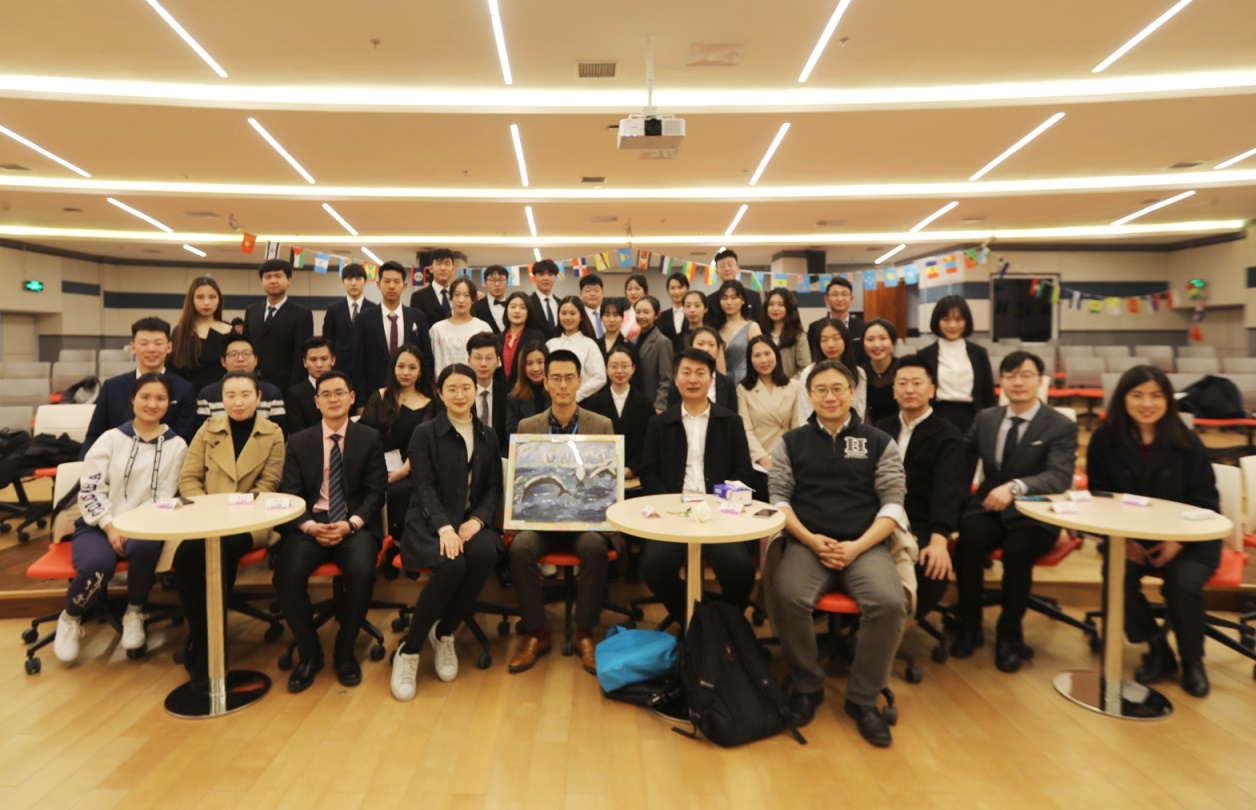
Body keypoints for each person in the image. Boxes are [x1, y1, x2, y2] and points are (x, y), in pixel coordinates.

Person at [767, 359, 909, 747]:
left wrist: (857, 546)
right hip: (808, 542)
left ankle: (863, 699)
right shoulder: (792, 442)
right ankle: (807, 686)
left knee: (889, 602)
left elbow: (893, 503)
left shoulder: (879, 441)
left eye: (838, 389)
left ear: (852, 393)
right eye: (821, 390)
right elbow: (779, 499)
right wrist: (811, 539)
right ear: (809, 396)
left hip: (865, 545)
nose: (829, 397)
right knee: (787, 595)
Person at [1086, 365, 1219, 697]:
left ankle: (1193, 661)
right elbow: (1099, 498)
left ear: (1168, 400)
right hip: (1127, 537)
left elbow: (1206, 503)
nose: (1147, 403)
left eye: (1156, 396)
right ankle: (1156, 646)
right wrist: (1124, 540)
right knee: (1116, 576)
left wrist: (1177, 542)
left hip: (1190, 539)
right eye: (1137, 395)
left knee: (1183, 582)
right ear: (1123, 399)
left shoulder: (1188, 442)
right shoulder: (1104, 439)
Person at [951, 351, 1077, 673]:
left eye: (1026, 375)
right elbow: (960, 459)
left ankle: (1010, 635)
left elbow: (1059, 476)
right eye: (1010, 375)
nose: (1017, 382)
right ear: (1001, 382)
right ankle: (969, 626)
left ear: (1040, 380)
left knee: (1018, 552)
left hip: (1035, 512)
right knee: (967, 543)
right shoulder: (986, 418)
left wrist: (1016, 487)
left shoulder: (1059, 424)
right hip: (989, 506)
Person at [54, 373, 188, 663]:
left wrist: (135, 526)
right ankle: (71, 616)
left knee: (144, 547)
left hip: (145, 526)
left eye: (160, 398)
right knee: (98, 565)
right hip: (98, 524)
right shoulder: (110, 439)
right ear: (133, 399)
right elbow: (90, 490)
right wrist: (110, 526)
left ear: (169, 403)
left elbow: (164, 496)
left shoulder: (177, 445)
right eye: (145, 397)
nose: (152, 404)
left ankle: (134, 612)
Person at [391, 364, 503, 701]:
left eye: (466, 387)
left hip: (469, 521)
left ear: (475, 391)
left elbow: (493, 488)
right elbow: (423, 488)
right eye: (451, 388)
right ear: (440, 394)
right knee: (452, 564)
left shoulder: (487, 434)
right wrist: (445, 528)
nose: (459, 395)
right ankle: (410, 649)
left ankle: (444, 632)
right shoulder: (424, 433)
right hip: (428, 522)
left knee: (484, 553)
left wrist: (478, 521)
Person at [273, 370, 387, 692]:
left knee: (363, 572)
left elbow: (376, 492)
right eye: (326, 394)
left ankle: (344, 652)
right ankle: (310, 654)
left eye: (340, 393)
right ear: (316, 401)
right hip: (311, 525)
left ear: (352, 398)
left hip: (354, 524)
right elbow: (290, 492)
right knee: (286, 574)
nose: (333, 399)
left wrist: (351, 524)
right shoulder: (299, 441)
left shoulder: (370, 438)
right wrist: (310, 527)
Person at [508, 350, 618, 675]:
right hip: (542, 523)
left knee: (595, 547)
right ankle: (537, 632)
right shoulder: (528, 425)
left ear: (580, 382)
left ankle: (585, 633)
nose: (563, 385)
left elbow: (608, 480)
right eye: (555, 378)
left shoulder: (601, 425)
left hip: (585, 523)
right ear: (545, 382)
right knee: (520, 547)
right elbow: (520, 480)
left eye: (569, 378)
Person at [171, 370, 285, 680]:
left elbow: (268, 485)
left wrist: (231, 515)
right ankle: (204, 636)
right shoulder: (207, 430)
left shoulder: (273, 433)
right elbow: (189, 480)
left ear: (258, 397)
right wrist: (210, 512)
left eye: (245, 395)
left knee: (220, 552)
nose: (238, 402)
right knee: (186, 556)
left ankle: (209, 645)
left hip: (252, 520)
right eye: (230, 395)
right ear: (221, 399)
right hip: (206, 519)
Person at [638, 348, 758, 623]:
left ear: (711, 379)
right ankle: (696, 621)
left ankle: (725, 623)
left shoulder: (730, 421)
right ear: (676, 379)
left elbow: (743, 471)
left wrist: (720, 502)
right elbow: (648, 472)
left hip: (719, 515)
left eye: (700, 373)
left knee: (740, 569)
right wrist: (669, 504)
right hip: (672, 515)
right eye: (687, 372)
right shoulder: (659, 423)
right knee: (654, 567)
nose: (693, 379)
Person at [874, 355, 965, 626]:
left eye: (917, 383)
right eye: (902, 383)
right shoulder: (880, 430)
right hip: (878, 516)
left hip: (921, 521)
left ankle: (898, 627)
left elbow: (949, 490)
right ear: (894, 390)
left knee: (931, 565)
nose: (909, 389)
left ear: (932, 390)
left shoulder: (948, 435)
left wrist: (939, 539)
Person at [359, 345, 441, 539]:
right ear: (393, 368)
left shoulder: (428, 403)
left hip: (408, 468)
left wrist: (402, 472)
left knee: (399, 491)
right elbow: (363, 435)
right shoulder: (380, 395)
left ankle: (398, 544)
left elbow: (422, 446)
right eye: (401, 366)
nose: (405, 372)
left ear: (420, 371)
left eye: (412, 368)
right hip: (374, 464)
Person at [83, 317, 197, 453]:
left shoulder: (184, 389)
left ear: (169, 347)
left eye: (158, 343)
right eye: (144, 343)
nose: (151, 349)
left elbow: (184, 439)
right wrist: (84, 463)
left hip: (165, 460)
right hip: (116, 459)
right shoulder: (112, 387)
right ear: (132, 347)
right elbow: (94, 435)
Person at [351, 261, 434, 405]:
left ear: (404, 286)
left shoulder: (417, 317)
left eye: (396, 282)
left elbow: (426, 358)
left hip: (412, 394)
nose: (391, 286)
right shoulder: (364, 319)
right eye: (387, 281)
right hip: (375, 395)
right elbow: (358, 363)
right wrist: (361, 403)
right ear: (378, 284)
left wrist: (423, 393)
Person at [917, 295, 996, 434]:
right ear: (937, 321)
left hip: (972, 417)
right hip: (936, 416)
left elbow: (988, 394)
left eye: (959, 319)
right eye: (946, 319)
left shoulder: (979, 353)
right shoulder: (924, 355)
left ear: (967, 321)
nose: (952, 325)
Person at [737, 336, 800, 501]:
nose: (763, 360)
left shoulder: (794, 386)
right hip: (759, 462)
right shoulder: (744, 390)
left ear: (776, 355)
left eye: (767, 353)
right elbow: (746, 430)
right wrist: (764, 460)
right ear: (750, 360)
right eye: (757, 355)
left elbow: (797, 426)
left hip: (788, 457)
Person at [242, 258, 314, 393]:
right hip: (252, 382)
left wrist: (294, 390)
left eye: (278, 276)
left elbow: (301, 355)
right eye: (267, 277)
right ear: (262, 281)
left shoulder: (302, 314)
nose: (273, 281)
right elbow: (245, 346)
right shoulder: (252, 311)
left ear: (289, 280)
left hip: (285, 385)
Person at [586, 344, 653, 480]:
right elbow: (591, 442)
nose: (619, 371)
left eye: (625, 366)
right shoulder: (594, 404)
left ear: (633, 369)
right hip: (602, 475)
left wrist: (633, 467)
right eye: (614, 366)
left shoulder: (645, 404)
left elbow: (649, 441)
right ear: (606, 369)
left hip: (636, 476)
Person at [196, 335, 287, 434]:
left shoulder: (272, 393)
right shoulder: (208, 394)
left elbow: (279, 433)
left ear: (256, 360)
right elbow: (203, 433)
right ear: (223, 361)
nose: (240, 359)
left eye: (246, 354)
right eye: (233, 354)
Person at [170, 276, 233, 395]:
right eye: (200, 297)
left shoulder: (229, 331)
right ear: (191, 300)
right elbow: (173, 370)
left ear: (219, 300)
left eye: (212, 297)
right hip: (189, 397)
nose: (206, 302)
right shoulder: (180, 332)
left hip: (223, 396)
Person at [796, 319, 866, 424]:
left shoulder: (858, 373)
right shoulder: (808, 373)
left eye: (836, 338)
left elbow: (859, 411)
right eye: (824, 340)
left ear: (846, 340)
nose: (830, 344)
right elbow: (805, 412)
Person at [429, 276, 493, 378]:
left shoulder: (483, 328)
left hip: (474, 384)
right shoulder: (437, 329)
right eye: (457, 295)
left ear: (473, 299)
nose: (461, 300)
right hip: (444, 385)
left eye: (466, 295)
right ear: (451, 297)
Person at [546, 296, 606, 402]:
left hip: (582, 402)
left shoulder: (589, 344)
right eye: (563, 313)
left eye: (572, 313)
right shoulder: (550, 344)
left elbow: (600, 377)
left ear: (581, 316)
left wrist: (576, 395)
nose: (567, 317)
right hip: (552, 402)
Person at [666, 326, 737, 410]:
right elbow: (671, 413)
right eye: (700, 344)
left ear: (718, 350)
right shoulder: (679, 381)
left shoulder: (727, 383)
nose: (706, 349)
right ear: (691, 348)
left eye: (711, 345)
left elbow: (732, 415)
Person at [322, 262, 377, 371]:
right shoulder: (333, 309)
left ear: (365, 282)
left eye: (358, 279)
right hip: (340, 367)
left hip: (367, 367)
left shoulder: (374, 309)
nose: (353, 283)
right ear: (343, 281)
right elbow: (327, 340)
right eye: (349, 279)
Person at [465, 332, 509, 455]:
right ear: (469, 361)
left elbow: (509, 437)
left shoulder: (508, 395)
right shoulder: (461, 394)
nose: (483, 364)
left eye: (489, 358)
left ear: (498, 361)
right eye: (478, 358)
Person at [713, 280, 762, 388]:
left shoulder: (752, 327)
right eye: (724, 298)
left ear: (743, 300)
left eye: (734, 297)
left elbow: (759, 358)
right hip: (720, 383)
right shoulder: (715, 329)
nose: (729, 302)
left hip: (746, 383)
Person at [285, 336, 335, 435]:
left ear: (333, 360)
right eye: (313, 359)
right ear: (305, 362)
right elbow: (298, 433)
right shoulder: (295, 394)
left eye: (324, 359)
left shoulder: (344, 389)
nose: (319, 364)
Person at [806, 277, 863, 361]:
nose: (840, 299)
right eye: (835, 295)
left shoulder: (863, 327)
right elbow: (813, 356)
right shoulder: (815, 327)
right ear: (826, 299)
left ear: (851, 299)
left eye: (844, 294)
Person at [633, 295, 674, 413]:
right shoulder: (632, 341)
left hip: (652, 404)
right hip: (634, 402)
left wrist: (660, 405)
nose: (641, 316)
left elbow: (666, 378)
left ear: (657, 315)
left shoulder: (663, 342)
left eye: (646, 312)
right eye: (638, 312)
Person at [761, 288, 811, 380]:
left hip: (790, 386)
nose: (775, 308)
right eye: (771, 304)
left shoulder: (798, 335)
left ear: (789, 307)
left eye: (781, 305)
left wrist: (788, 384)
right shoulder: (760, 333)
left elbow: (805, 368)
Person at [505, 341, 551, 440]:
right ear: (522, 366)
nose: (535, 368)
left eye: (540, 362)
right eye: (529, 363)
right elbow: (512, 434)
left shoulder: (557, 393)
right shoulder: (514, 397)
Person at [499, 291, 546, 385]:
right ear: (506, 311)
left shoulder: (536, 337)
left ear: (529, 312)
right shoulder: (497, 339)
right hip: (500, 391)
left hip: (527, 390)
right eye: (513, 307)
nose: (517, 311)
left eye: (523, 307)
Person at [861, 319, 900, 425]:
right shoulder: (860, 373)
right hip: (868, 431)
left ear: (892, 341)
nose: (877, 345)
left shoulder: (903, 369)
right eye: (870, 339)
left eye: (883, 338)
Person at [706, 249, 762, 321]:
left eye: (730, 265)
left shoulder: (753, 296)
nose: (726, 269)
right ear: (717, 272)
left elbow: (759, 321)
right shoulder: (710, 299)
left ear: (738, 269)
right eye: (722, 266)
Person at [409, 247, 458, 325]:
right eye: (438, 263)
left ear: (453, 269)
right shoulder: (418, 297)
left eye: (447, 264)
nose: (443, 268)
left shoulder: (458, 296)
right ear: (431, 269)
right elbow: (416, 327)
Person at [526, 259, 562, 338]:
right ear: (534, 277)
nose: (546, 278)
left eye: (550, 274)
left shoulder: (561, 303)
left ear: (555, 277)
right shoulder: (526, 302)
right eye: (541, 274)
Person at [471, 265, 510, 334]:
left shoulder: (513, 305)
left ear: (507, 282)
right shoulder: (475, 308)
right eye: (492, 280)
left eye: (501, 280)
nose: (497, 284)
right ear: (485, 283)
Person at [679, 290, 714, 360]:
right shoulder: (677, 339)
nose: (692, 310)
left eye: (697, 306)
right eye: (688, 306)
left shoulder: (713, 335)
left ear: (705, 309)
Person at [658, 271, 689, 350]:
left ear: (687, 288)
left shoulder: (693, 314)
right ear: (668, 290)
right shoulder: (662, 316)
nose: (676, 292)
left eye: (680, 287)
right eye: (672, 288)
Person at [619, 274, 649, 341]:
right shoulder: (621, 315)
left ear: (645, 292)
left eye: (637, 289)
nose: (633, 293)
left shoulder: (650, 314)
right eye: (629, 289)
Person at [579, 274, 607, 339]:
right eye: (588, 291)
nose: (592, 294)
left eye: (596, 290)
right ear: (580, 294)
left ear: (603, 293)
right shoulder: (578, 315)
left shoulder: (608, 314)